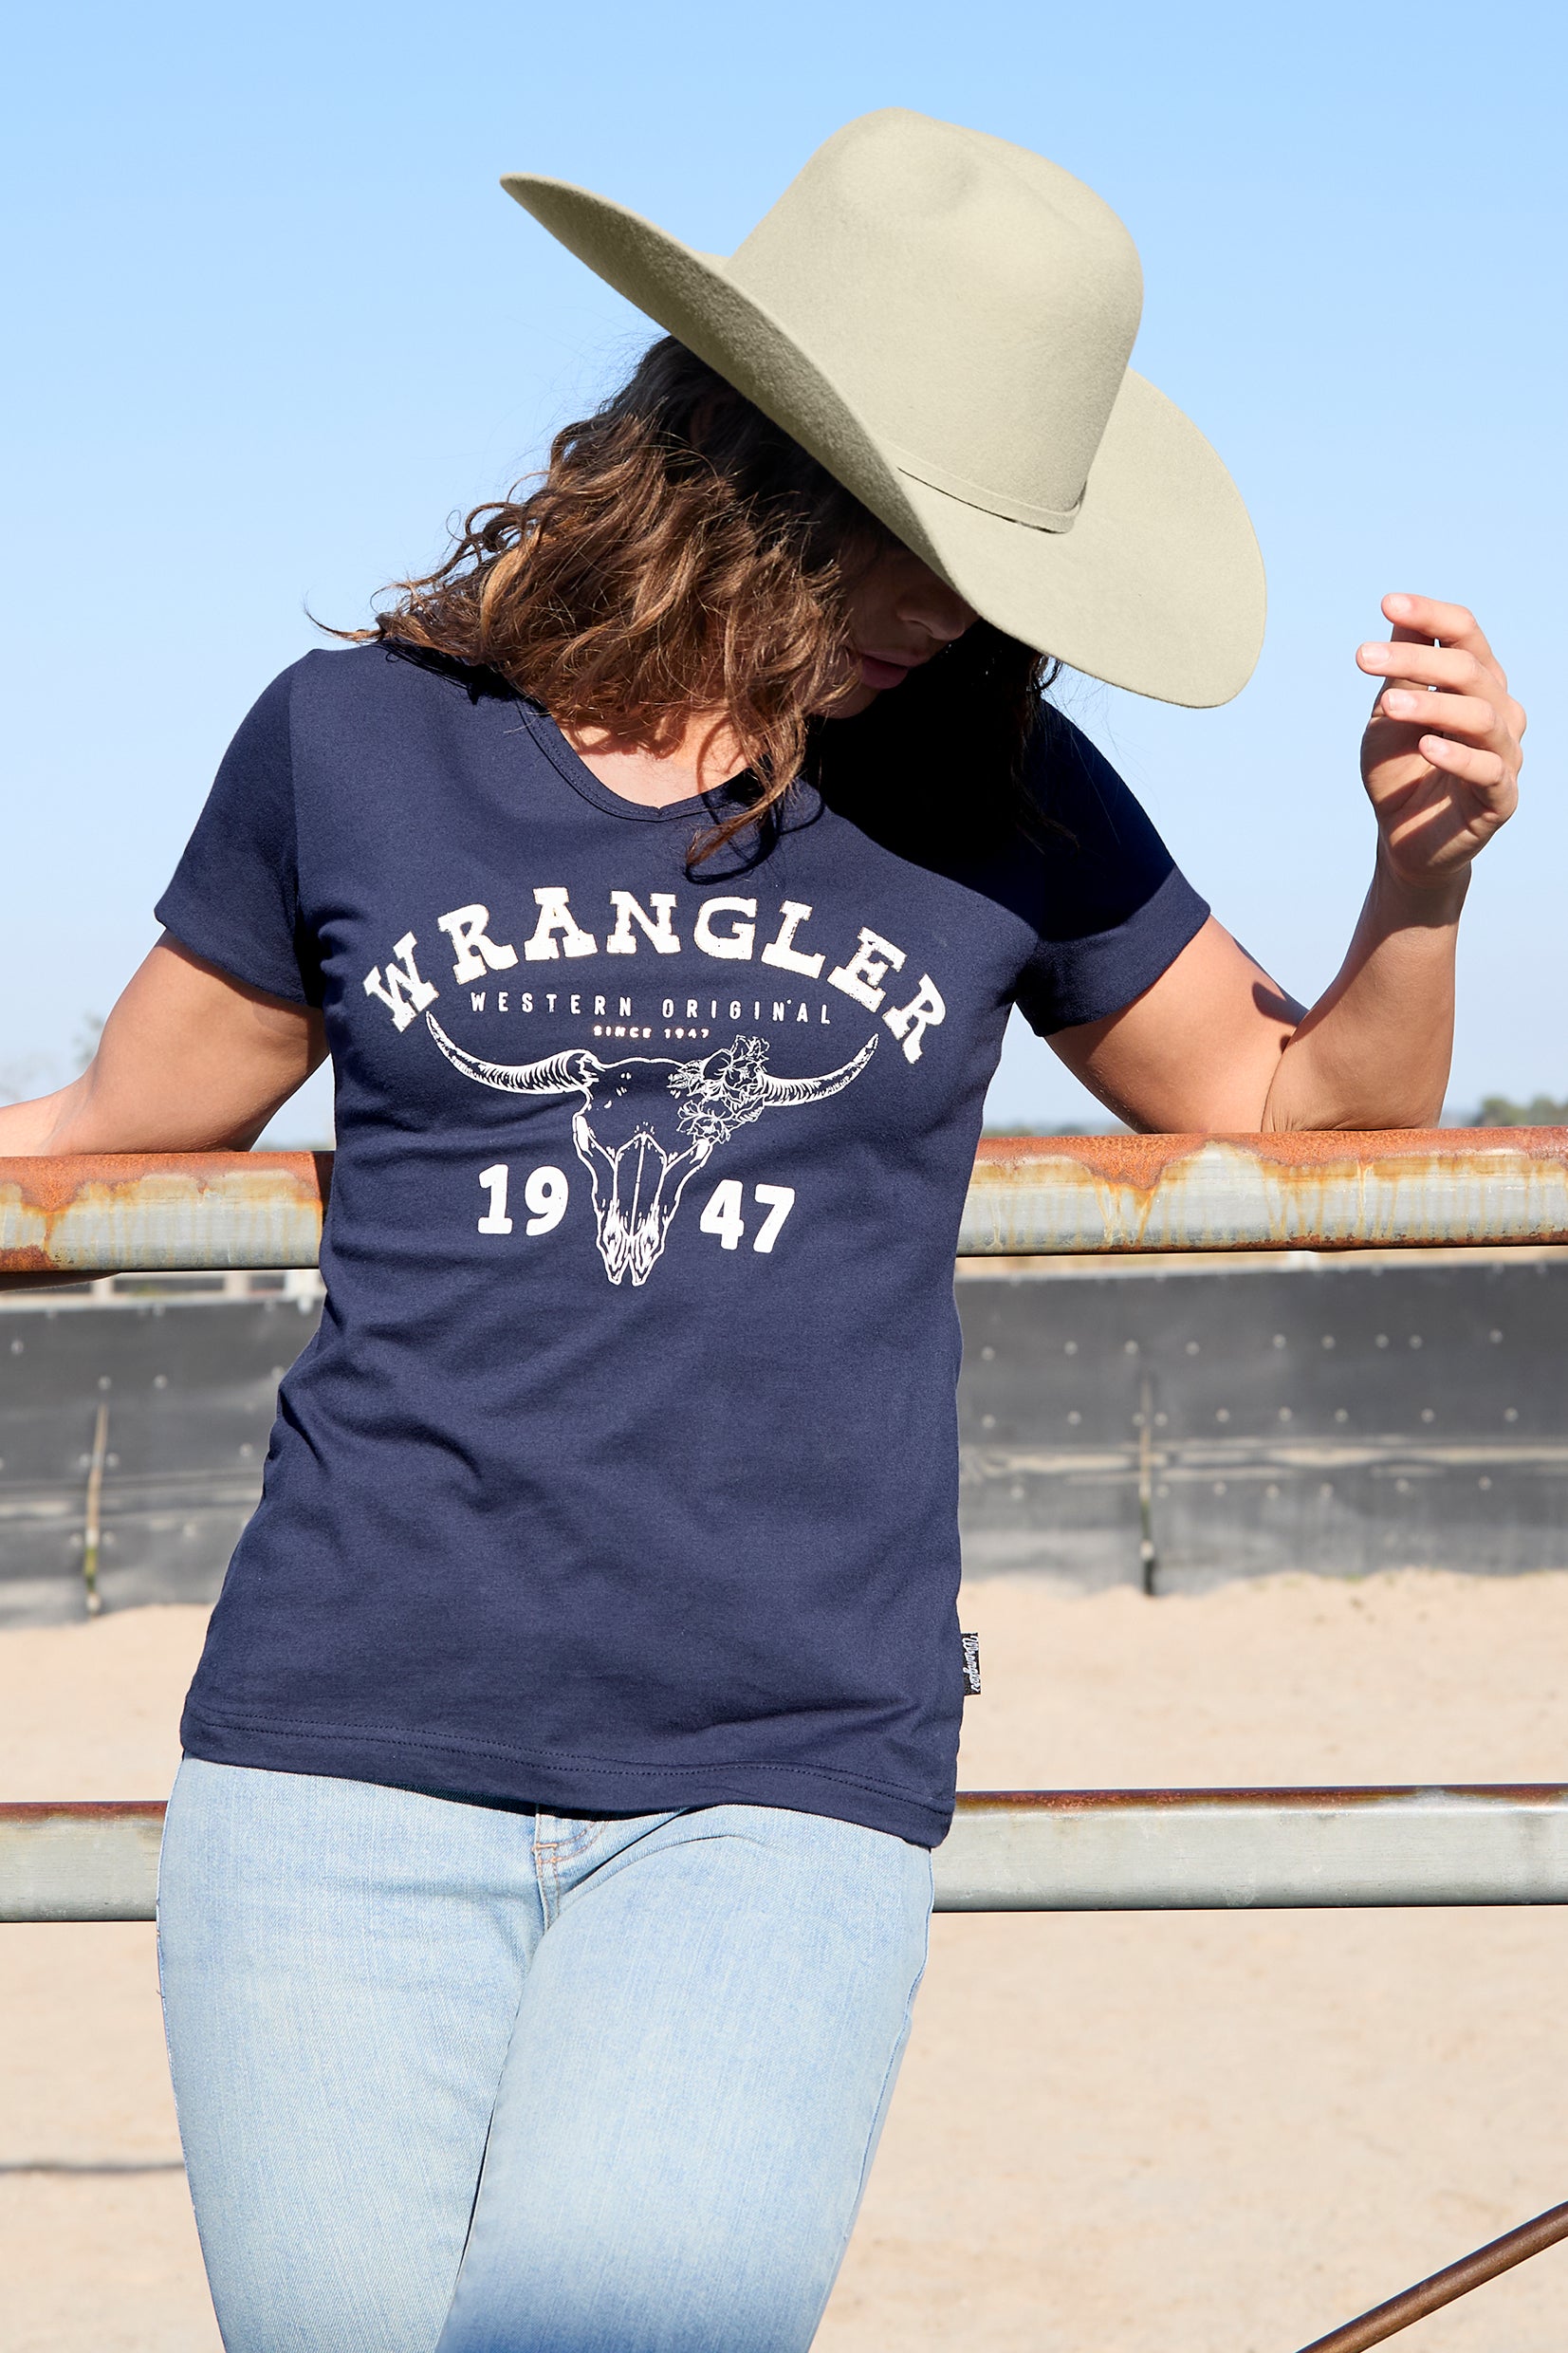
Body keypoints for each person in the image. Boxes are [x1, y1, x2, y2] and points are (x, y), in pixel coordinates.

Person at [0, 108, 1524, 2353]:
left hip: (774, 1778)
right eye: (915, 534)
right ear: (737, 459)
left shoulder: (1001, 788)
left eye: (998, 553)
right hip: (330, 1759)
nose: (957, 605)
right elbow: (110, 1128)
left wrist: (1420, 877)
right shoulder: (350, 747)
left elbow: (1306, 1107)